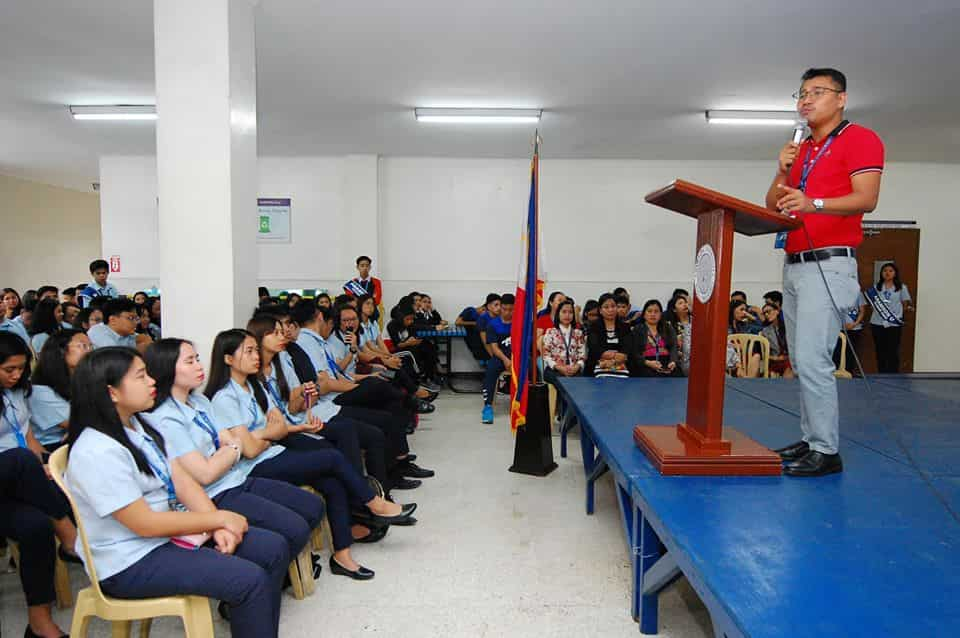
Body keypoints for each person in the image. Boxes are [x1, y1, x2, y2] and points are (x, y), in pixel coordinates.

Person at [64, 347, 288, 637]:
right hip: (131, 560)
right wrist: (217, 520)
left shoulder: (138, 425)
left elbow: (181, 481)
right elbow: (144, 524)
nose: (152, 381)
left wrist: (214, 522)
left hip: (167, 537)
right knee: (249, 580)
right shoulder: (96, 450)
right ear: (112, 393)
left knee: (273, 548)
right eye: (141, 376)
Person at [204, 329, 417, 578]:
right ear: (228, 359)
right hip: (254, 467)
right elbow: (250, 450)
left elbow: (279, 428)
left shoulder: (254, 387)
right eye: (248, 351)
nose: (255, 357)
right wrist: (267, 435)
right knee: (333, 457)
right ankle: (373, 503)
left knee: (333, 482)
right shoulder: (224, 398)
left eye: (255, 350)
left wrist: (264, 435)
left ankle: (342, 555)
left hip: (275, 451)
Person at [764, 67, 884, 476]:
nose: (807, 100)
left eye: (818, 91)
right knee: (801, 357)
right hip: (795, 264)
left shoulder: (861, 139)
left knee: (814, 358)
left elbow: (867, 199)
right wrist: (782, 169)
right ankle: (811, 438)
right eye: (802, 93)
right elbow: (771, 205)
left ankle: (827, 451)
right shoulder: (802, 150)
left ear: (842, 98)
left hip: (829, 263)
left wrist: (812, 203)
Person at [142, 339, 325, 567]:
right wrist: (235, 448)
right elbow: (206, 473)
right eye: (190, 361)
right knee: (292, 529)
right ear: (166, 367)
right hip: (214, 494)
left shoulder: (199, 401)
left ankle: (279, 568)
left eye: (197, 359)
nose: (200, 366)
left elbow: (232, 444)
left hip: (235, 478)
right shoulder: (164, 417)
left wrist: (231, 449)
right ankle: (274, 571)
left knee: (312, 506)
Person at [0, 332, 80, 638]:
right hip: (7, 471)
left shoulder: (18, 391)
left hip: (16, 487)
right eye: (9, 369)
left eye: (21, 368)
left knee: (35, 526)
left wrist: (47, 464)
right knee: (21, 459)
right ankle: (70, 536)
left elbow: (28, 437)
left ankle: (39, 622)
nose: (17, 375)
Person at [29, 330, 93, 453]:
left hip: (77, 439)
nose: (90, 351)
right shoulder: (39, 391)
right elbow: (80, 422)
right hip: (54, 447)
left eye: (91, 346)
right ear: (61, 351)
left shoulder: (83, 380)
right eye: (83, 346)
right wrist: (78, 427)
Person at [868, 262, 913, 373]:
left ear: (895, 273)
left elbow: (905, 304)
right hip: (877, 323)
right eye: (885, 271)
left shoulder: (901, 288)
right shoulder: (876, 288)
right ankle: (881, 374)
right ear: (881, 273)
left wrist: (908, 309)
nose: (887, 273)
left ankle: (893, 375)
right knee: (880, 351)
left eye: (890, 271)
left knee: (893, 351)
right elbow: (872, 305)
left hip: (894, 324)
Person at [481, 294, 515, 424]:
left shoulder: (519, 323)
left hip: (516, 356)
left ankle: (522, 406)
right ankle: (488, 406)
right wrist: (506, 360)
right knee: (490, 370)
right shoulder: (493, 324)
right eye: (504, 308)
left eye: (510, 309)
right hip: (500, 356)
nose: (507, 312)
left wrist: (514, 358)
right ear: (500, 307)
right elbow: (494, 348)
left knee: (529, 368)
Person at [584, 293, 635, 378]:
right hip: (598, 364)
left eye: (613, 306)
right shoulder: (594, 327)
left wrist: (615, 360)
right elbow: (595, 349)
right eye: (606, 307)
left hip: (621, 365)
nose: (610, 310)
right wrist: (615, 356)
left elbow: (627, 349)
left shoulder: (625, 327)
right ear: (600, 310)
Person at [541, 299, 585, 385]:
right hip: (555, 369)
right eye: (564, 312)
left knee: (578, 382)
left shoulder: (578, 333)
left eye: (570, 312)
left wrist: (576, 367)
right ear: (558, 314)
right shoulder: (551, 332)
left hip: (574, 370)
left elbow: (582, 356)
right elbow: (546, 355)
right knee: (563, 382)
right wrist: (559, 368)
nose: (567, 315)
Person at [633, 300, 681, 377]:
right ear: (644, 314)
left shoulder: (668, 328)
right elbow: (634, 352)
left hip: (667, 362)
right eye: (649, 311)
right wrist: (647, 362)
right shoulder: (638, 329)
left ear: (661, 314)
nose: (653, 314)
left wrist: (673, 361)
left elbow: (673, 347)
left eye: (656, 311)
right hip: (646, 363)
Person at [834, 292, 867, 375]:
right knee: (837, 352)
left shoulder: (858, 292)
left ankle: (849, 373)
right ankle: (836, 373)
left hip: (854, 328)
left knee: (850, 353)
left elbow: (862, 311)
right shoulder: (835, 291)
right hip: (838, 328)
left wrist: (855, 324)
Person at [729, 299, 764, 378]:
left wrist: (751, 317)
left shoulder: (745, 325)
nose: (744, 313)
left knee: (756, 356)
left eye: (745, 310)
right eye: (741, 310)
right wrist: (736, 346)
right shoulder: (724, 325)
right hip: (731, 358)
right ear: (733, 310)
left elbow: (761, 328)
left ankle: (747, 380)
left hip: (744, 356)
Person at [761, 303, 795, 378]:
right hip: (775, 360)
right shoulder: (765, 331)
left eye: (768, 311)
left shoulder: (788, 327)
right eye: (764, 313)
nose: (766, 314)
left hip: (789, 358)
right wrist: (775, 358)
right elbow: (763, 353)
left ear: (777, 311)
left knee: (791, 364)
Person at [664, 294, 693, 376]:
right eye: (680, 303)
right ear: (674, 309)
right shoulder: (669, 325)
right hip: (680, 359)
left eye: (685, 302)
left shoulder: (696, 321)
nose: (685, 305)